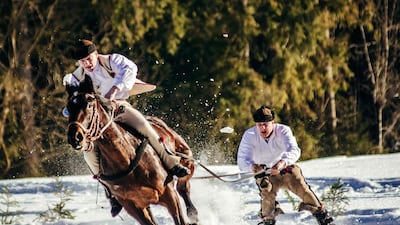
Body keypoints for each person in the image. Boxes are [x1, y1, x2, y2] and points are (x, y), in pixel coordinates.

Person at [63, 39, 190, 217]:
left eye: (89, 59)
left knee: (145, 127)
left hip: (118, 109)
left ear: (96, 54)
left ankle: (171, 163)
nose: (87, 64)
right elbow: (75, 99)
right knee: (88, 154)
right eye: (83, 61)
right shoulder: (76, 77)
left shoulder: (111, 60)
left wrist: (116, 88)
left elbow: (130, 69)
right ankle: (111, 191)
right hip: (97, 120)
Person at [237, 106, 334, 225]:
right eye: (259, 124)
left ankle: (320, 214)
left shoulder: (283, 130)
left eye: (266, 124)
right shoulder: (249, 135)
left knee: (301, 187)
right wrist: (252, 167)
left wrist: (282, 163)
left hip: (286, 169)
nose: (262, 128)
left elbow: (294, 150)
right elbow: (242, 160)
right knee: (266, 191)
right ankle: (268, 218)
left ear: (273, 123)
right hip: (265, 174)